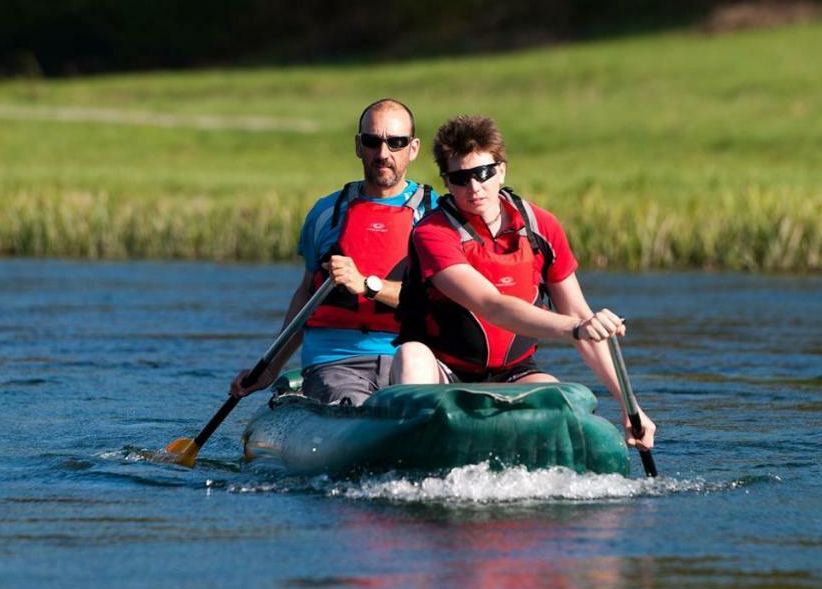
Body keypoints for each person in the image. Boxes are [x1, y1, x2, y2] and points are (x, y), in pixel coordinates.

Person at [392, 114, 656, 449]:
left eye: (482, 173)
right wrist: (576, 327)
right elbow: (493, 306)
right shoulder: (432, 234)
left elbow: (579, 313)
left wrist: (630, 409)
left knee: (558, 398)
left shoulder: (541, 226)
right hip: (445, 371)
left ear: (501, 170)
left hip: (513, 374)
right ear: (446, 182)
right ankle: (414, 453)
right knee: (411, 355)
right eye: (460, 178)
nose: (474, 188)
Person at [230, 98, 438, 405]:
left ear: (414, 148)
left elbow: (441, 304)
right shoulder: (327, 213)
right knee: (355, 407)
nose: (383, 154)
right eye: (372, 142)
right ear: (358, 146)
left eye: (396, 143)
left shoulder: (435, 217)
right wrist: (270, 367)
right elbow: (305, 295)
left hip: (411, 360)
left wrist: (367, 285)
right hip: (335, 363)